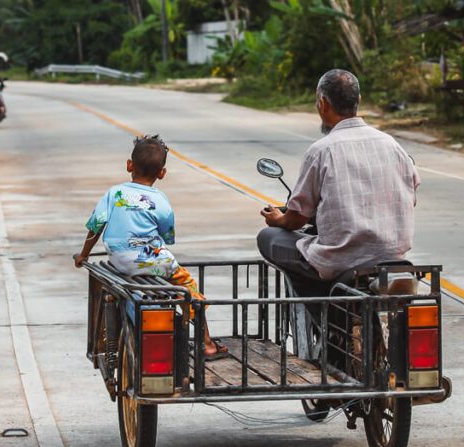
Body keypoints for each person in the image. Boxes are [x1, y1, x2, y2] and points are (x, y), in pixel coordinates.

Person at [257, 69, 419, 295]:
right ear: (358, 101)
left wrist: (279, 219)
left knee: (268, 237)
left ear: (322, 103)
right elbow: (411, 197)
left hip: (340, 261)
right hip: (393, 256)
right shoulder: (393, 145)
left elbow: (297, 219)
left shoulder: (322, 150)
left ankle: (313, 313)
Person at [73, 133, 228, 360]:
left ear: (129, 165)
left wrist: (83, 255)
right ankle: (206, 344)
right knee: (188, 289)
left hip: (120, 262)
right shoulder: (161, 201)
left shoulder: (114, 193)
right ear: (162, 173)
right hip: (154, 261)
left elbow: (95, 226)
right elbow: (167, 236)